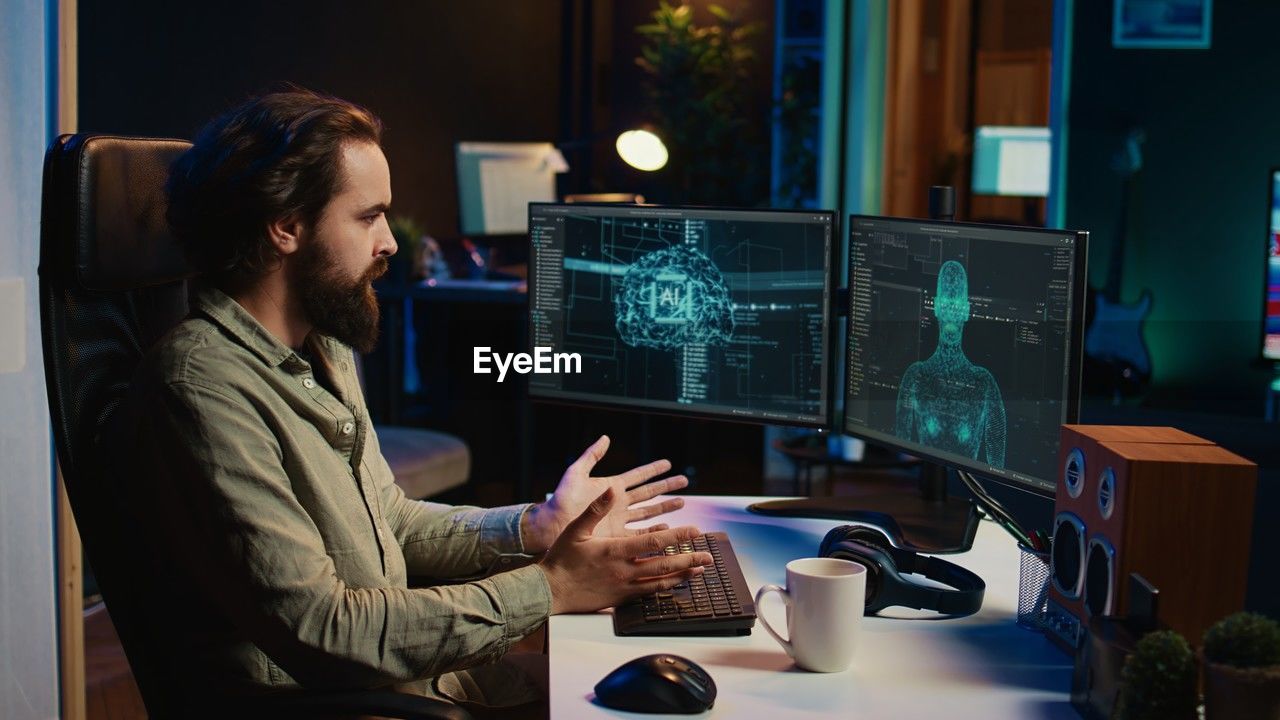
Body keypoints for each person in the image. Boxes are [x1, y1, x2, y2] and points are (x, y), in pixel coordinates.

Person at [110, 87, 709, 711]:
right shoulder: (202, 389)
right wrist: (551, 588)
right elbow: (326, 632)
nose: (390, 241)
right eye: (368, 216)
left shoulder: (322, 346)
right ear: (286, 227)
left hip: (416, 679)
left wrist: (538, 525)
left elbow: (387, 521)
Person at [894, 260, 1007, 468]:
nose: (951, 315)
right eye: (946, 305)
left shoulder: (983, 383)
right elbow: (900, 452)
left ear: (966, 311)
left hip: (964, 492)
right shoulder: (916, 377)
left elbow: (997, 465)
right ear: (936, 307)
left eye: (957, 307)